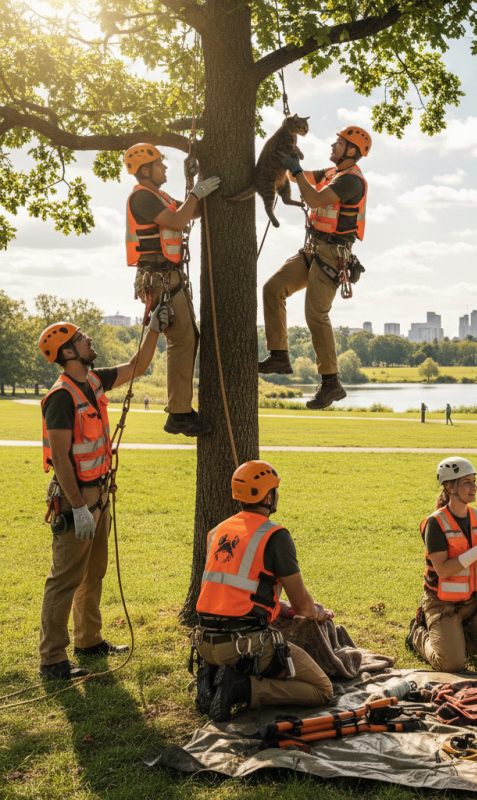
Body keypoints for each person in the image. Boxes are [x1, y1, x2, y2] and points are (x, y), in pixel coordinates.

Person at [38, 311, 168, 680]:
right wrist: (78, 508)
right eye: (82, 338)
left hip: (99, 495)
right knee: (64, 578)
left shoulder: (93, 380)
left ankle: (89, 640)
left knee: (94, 572)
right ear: (67, 353)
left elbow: (137, 366)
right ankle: (52, 660)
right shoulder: (61, 397)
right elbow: (61, 457)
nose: (89, 340)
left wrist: (154, 327)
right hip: (75, 499)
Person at [194, 460, 334, 722]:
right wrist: (318, 614)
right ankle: (242, 688)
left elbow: (231, 591)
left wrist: (277, 606)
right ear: (269, 496)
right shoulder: (276, 536)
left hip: (204, 642)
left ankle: (210, 675)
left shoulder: (216, 532)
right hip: (243, 645)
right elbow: (303, 606)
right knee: (322, 689)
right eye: (276, 490)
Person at [259, 127, 371, 410]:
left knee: (315, 313)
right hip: (312, 249)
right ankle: (279, 355)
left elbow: (314, 198)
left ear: (351, 151)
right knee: (273, 289)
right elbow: (306, 178)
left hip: (333, 255)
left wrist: (295, 171)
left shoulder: (352, 181)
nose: (333, 145)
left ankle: (331, 382)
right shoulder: (331, 174)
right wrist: (284, 159)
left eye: (340, 143)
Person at [124, 143, 221, 436]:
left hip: (166, 277)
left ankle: (180, 411)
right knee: (182, 339)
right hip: (158, 278)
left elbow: (192, 212)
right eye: (159, 164)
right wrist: (194, 193)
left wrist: (194, 185)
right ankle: (178, 414)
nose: (164, 168)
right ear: (145, 170)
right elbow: (179, 219)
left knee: (187, 337)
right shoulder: (142, 198)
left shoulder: (159, 196)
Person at [406, 457, 477, 673]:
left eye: (474, 481)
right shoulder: (435, 523)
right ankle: (417, 634)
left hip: (475, 603)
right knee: (451, 665)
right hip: (442, 604)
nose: (474, 486)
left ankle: (455, 640)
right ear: (449, 487)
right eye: (467, 482)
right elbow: (443, 569)